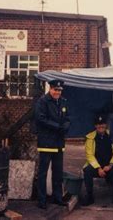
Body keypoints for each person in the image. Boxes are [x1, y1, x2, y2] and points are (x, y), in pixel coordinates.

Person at [35, 79, 71, 208]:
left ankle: (57, 197)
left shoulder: (64, 102)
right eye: (55, 89)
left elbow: (68, 118)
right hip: (46, 142)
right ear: (50, 89)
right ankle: (42, 200)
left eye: (60, 90)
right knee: (43, 173)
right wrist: (57, 126)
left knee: (58, 173)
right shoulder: (42, 101)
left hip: (59, 143)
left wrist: (66, 126)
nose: (57, 92)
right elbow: (40, 119)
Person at [82, 115, 113, 206]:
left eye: (102, 124)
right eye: (98, 124)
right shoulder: (90, 137)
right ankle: (89, 196)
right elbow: (89, 155)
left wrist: (110, 165)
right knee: (87, 171)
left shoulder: (112, 136)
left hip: (109, 166)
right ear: (95, 126)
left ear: (106, 125)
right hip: (96, 167)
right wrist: (98, 168)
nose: (100, 126)